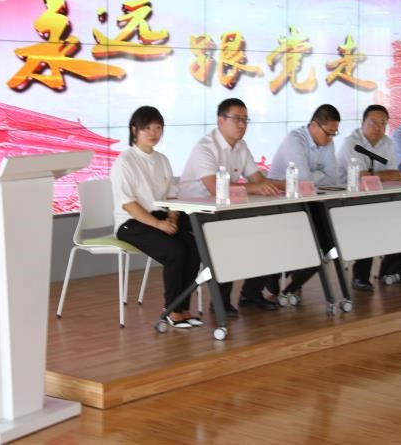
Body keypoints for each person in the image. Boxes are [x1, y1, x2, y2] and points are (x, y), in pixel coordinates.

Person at [179, 98, 284, 315]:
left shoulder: (241, 147)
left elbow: (258, 180)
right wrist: (256, 188)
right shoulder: (205, 147)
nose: (242, 125)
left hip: (226, 210)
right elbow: (214, 188)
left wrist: (289, 184)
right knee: (226, 237)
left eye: (245, 120)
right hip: (195, 212)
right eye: (237, 119)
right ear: (220, 120)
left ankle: (251, 294)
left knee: (267, 229)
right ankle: (220, 301)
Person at [111, 106, 202, 329]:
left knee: (194, 248)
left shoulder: (162, 159)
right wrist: (159, 224)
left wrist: (172, 218)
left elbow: (171, 195)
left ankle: (183, 308)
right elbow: (129, 204)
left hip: (161, 217)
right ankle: (171, 310)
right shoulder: (125, 161)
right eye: (147, 128)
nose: (153, 133)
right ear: (134, 130)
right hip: (131, 222)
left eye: (158, 127)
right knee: (175, 252)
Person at [265, 104, 341, 299]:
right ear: (314, 125)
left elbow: (332, 177)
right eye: (328, 133)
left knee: (329, 238)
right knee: (312, 234)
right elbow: (303, 180)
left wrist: (310, 180)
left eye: (334, 133)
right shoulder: (295, 140)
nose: (331, 138)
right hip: (281, 201)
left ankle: (293, 284)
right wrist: (317, 175)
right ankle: (276, 276)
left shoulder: (328, 141)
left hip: (310, 199)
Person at [336, 104, 401, 291]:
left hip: (378, 197)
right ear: (363, 123)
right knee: (369, 222)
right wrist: (381, 175)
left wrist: (375, 175)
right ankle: (360, 276)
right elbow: (362, 178)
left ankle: (389, 270)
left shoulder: (387, 143)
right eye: (373, 122)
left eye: (383, 123)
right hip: (348, 199)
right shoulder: (351, 143)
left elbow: (396, 175)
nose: (378, 127)